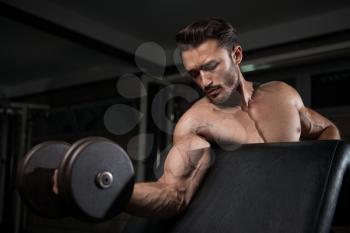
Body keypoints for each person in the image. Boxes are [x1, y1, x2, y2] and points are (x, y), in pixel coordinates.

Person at [54, 18, 341, 219]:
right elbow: (173, 193)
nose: (204, 81)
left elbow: (326, 128)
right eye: (193, 74)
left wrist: (321, 181)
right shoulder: (195, 123)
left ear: (237, 55)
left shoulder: (282, 95)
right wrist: (105, 187)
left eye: (210, 66)